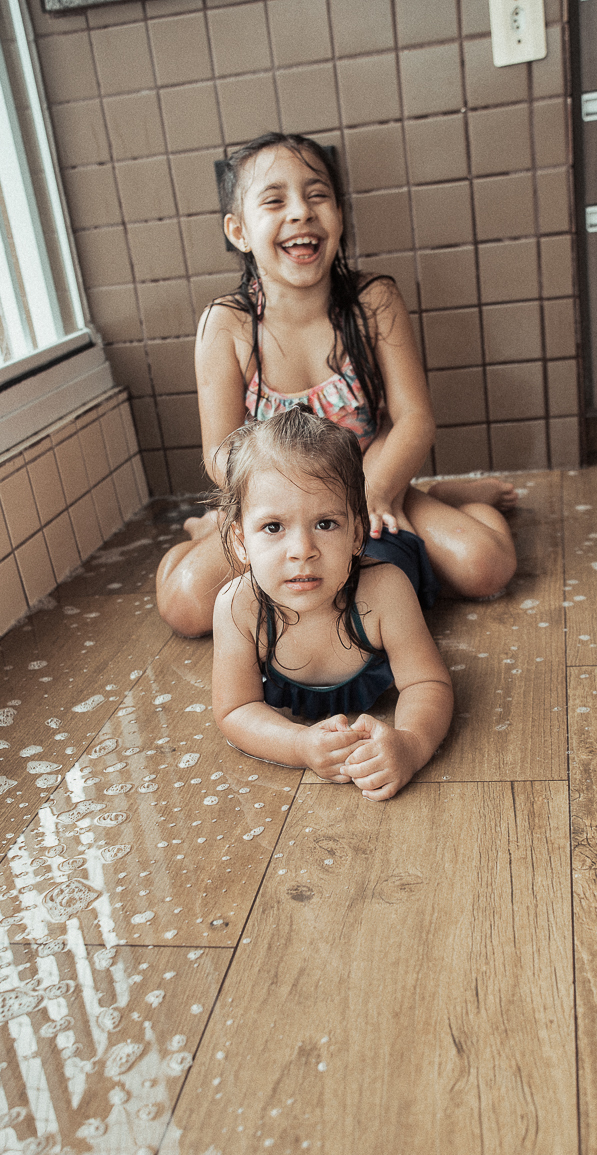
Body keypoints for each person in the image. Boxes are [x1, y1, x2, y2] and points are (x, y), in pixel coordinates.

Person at [157, 131, 517, 638]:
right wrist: (270, 503)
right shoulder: (228, 324)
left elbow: (414, 416)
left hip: (370, 486)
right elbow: (220, 450)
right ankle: (200, 533)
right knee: (188, 605)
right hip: (276, 510)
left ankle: (451, 498)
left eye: (317, 194)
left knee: (484, 566)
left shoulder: (374, 301)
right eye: (275, 200)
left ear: (340, 215)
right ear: (239, 231)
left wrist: (374, 491)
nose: (301, 212)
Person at [211, 405, 453, 802]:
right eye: (273, 527)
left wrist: (411, 745)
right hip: (344, 553)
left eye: (325, 523)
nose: (302, 551)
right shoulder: (239, 608)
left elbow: (427, 682)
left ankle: (438, 498)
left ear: (356, 533)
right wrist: (299, 745)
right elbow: (235, 710)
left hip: (390, 549)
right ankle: (195, 529)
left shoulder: (384, 591)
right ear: (240, 541)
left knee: (469, 568)